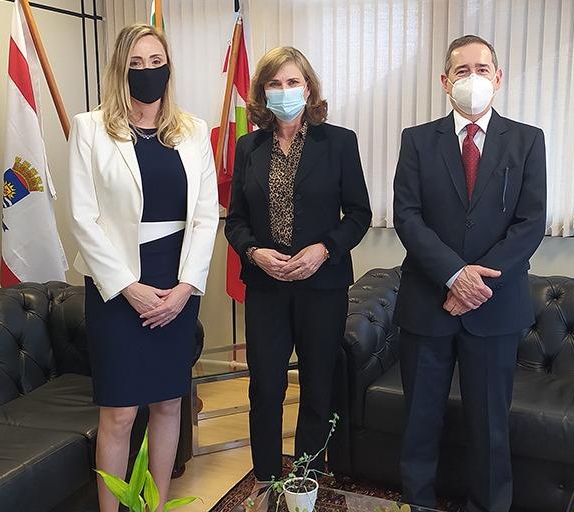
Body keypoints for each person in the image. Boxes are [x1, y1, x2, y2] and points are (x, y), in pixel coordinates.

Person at [68, 23, 218, 512]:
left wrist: (185, 288)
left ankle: (155, 506)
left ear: (169, 67)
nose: (148, 72)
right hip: (116, 286)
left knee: (169, 403)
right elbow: (83, 217)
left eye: (156, 62)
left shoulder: (194, 132)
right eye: (136, 64)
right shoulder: (89, 128)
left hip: (175, 280)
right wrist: (127, 287)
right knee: (119, 413)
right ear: (119, 70)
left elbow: (203, 217)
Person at [393, 35, 547, 512]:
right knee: (420, 423)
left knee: (489, 426)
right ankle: (417, 504)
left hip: (495, 308)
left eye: (483, 69)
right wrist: (453, 275)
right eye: (463, 71)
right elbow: (407, 217)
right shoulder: (417, 140)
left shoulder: (527, 140)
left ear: (498, 79)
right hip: (428, 303)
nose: (473, 78)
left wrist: (475, 284)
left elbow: (530, 224)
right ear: (445, 81)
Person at [225, 46, 371, 484]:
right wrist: (254, 252)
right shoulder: (248, 145)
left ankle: (307, 478)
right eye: (275, 83)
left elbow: (359, 215)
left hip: (321, 287)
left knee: (316, 388)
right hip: (266, 288)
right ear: (262, 92)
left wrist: (324, 249)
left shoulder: (340, 142)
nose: (284, 91)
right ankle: (268, 477)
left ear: (308, 89)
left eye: (293, 82)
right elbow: (235, 221)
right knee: (265, 388)